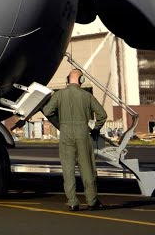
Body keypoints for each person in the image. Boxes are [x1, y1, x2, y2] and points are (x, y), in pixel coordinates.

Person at [40, 68, 107, 211]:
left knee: (68, 169)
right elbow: (102, 114)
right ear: (81, 80)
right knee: (87, 168)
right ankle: (91, 201)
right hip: (83, 132)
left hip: (65, 133)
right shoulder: (86, 96)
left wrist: (60, 124)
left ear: (67, 79)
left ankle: (72, 202)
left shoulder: (59, 95)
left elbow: (47, 111)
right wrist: (96, 129)